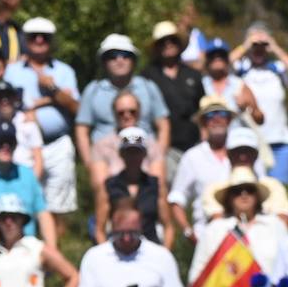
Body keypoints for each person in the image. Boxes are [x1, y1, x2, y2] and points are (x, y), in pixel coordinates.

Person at [189, 169, 288, 287]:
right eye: (237, 190)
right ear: (229, 197)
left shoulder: (275, 226)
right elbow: (198, 278)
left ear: (257, 195)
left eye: (249, 190)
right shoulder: (215, 230)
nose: (244, 194)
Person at [4, 17, 80, 222]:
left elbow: (76, 107)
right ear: (25, 40)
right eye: (33, 37)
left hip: (58, 144)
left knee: (59, 207)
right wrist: (49, 101)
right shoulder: (12, 71)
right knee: (23, 201)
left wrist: (52, 90)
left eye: (44, 37)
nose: (39, 40)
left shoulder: (64, 71)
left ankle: (55, 249)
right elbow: (8, 104)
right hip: (24, 146)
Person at [76, 34, 171, 171]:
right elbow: (82, 129)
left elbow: (163, 125)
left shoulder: (148, 87)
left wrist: (158, 158)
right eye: (112, 56)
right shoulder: (93, 90)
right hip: (106, 161)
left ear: (133, 60)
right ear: (104, 62)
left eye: (125, 55)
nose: (119, 60)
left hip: (146, 160)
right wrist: (90, 164)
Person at [230, 23, 288, 186]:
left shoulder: (278, 69)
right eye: (256, 46)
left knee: (279, 190)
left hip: (279, 143)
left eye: (262, 45)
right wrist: (246, 45)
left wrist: (275, 48)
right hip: (250, 143)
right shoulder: (241, 69)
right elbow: (219, 66)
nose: (259, 49)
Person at [168, 96, 240, 245]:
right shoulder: (192, 157)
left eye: (222, 114)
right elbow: (177, 197)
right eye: (210, 115)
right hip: (206, 236)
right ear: (203, 123)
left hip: (242, 234)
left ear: (229, 120)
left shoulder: (245, 152)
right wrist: (188, 232)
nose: (217, 119)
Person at [0, 121, 55, 249]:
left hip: (27, 250)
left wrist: (51, 250)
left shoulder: (27, 175)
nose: (5, 146)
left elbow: (43, 213)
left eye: (10, 141)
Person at [143, 21, 207, 167]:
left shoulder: (193, 75)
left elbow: (203, 108)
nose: (168, 44)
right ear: (156, 47)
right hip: (163, 147)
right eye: (162, 42)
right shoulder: (147, 76)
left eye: (172, 40)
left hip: (194, 145)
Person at [97, 130, 171, 245]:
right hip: (119, 249)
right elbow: (100, 229)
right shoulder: (109, 186)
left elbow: (168, 226)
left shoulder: (156, 185)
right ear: (121, 154)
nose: (133, 157)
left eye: (137, 152)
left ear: (144, 154)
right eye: (129, 152)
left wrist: (164, 254)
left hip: (151, 248)